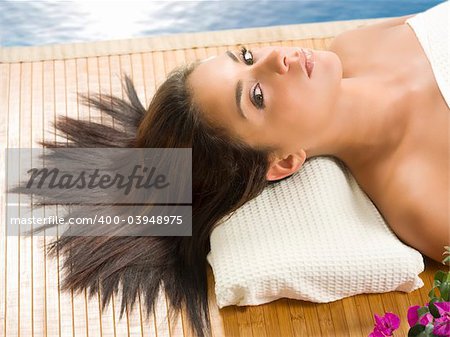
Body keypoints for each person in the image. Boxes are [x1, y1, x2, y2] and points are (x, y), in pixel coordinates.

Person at [21, 2, 449, 337]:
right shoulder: (423, 201)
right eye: (258, 96)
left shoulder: (356, 45)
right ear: (283, 162)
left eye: (246, 56)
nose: (276, 57)